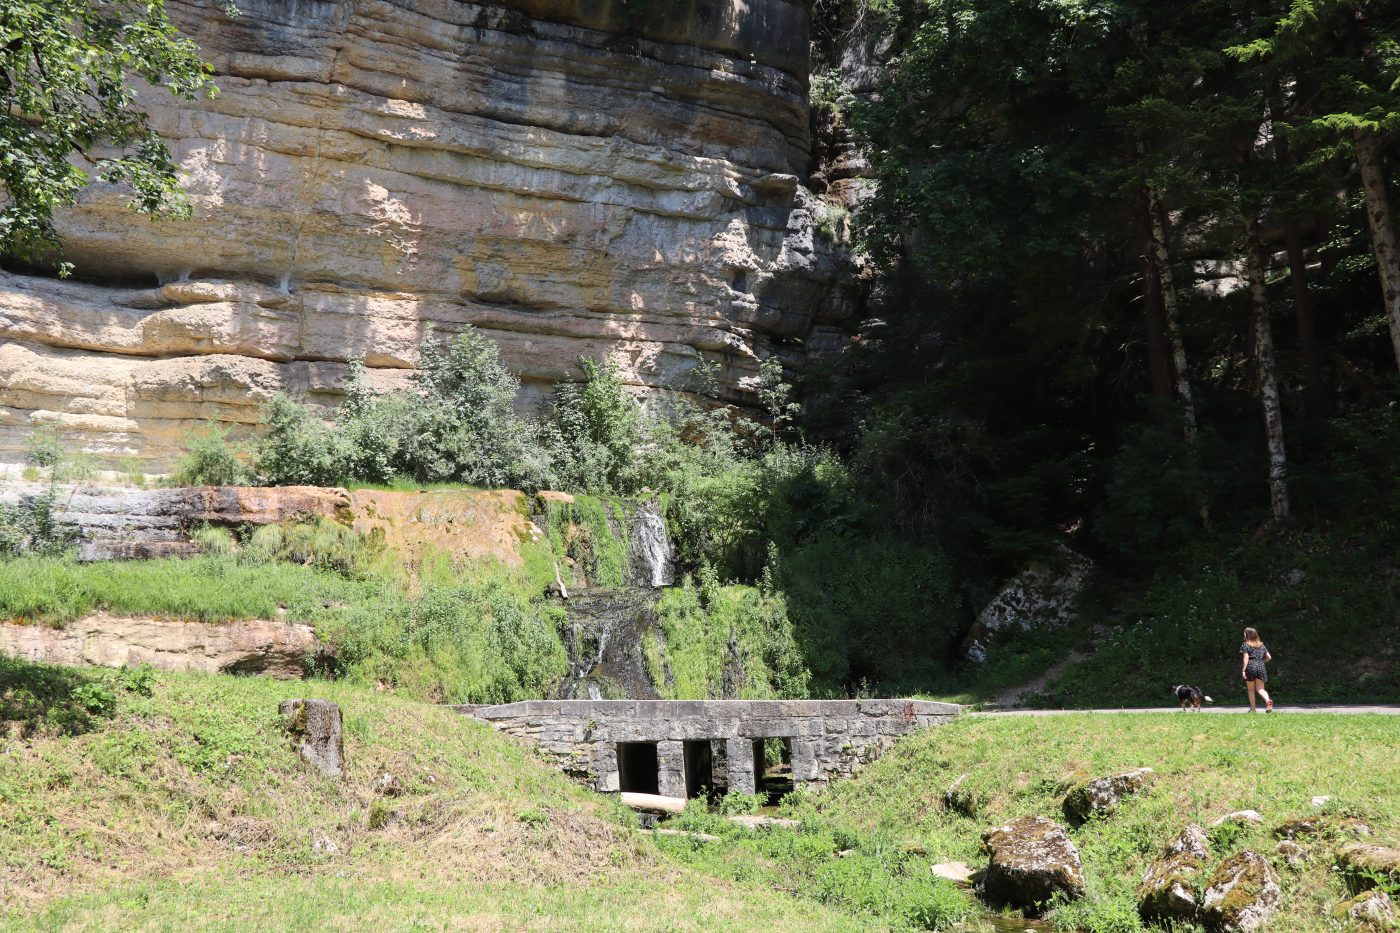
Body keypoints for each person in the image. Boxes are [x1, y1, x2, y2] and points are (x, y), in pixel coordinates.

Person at [1240, 627, 1273, 713]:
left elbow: (1246, 658)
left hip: (1250, 666)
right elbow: (1269, 657)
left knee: (1251, 690)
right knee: (1260, 689)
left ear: (1247, 635)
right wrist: (1261, 662)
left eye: (1245, 633)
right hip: (1261, 666)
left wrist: (1243, 670)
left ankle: (1253, 709)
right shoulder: (1261, 645)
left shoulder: (1245, 645)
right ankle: (1267, 701)